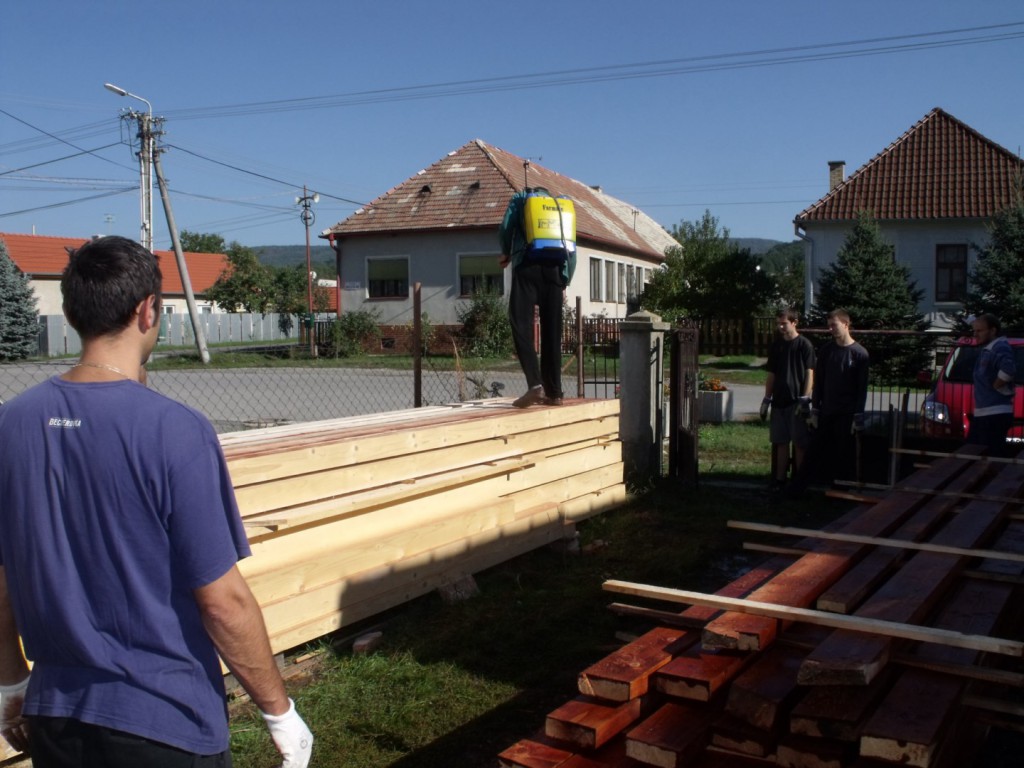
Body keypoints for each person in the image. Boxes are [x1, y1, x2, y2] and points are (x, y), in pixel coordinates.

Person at [0, 236, 312, 767]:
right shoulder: (175, 430)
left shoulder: (11, 423)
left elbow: (2, 580)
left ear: (72, 314)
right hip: (165, 722)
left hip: (57, 719)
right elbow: (222, 601)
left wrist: (11, 683)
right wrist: (279, 713)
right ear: (149, 310)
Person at [499, 188, 577, 407]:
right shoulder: (561, 207)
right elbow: (572, 248)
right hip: (555, 272)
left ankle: (535, 385)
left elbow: (505, 227)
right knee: (552, 333)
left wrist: (505, 252)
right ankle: (555, 393)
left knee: (520, 324)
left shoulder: (521, 199)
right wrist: (565, 279)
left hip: (527, 267)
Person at [786, 309, 869, 496]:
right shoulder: (826, 351)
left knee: (842, 453)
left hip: (846, 413)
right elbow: (819, 383)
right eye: (829, 326)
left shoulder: (859, 354)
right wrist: (815, 411)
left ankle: (839, 490)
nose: (831, 329)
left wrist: (858, 416)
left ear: (846, 324)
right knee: (814, 451)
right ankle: (797, 489)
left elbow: (861, 388)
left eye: (834, 325)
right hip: (827, 411)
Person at [761, 309, 815, 490]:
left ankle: (799, 482)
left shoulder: (804, 345)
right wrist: (766, 399)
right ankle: (780, 480)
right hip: (779, 401)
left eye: (784, 323)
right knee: (780, 442)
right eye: (778, 324)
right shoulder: (777, 346)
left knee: (800, 443)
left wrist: (804, 399)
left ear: (794, 322)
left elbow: (810, 373)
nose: (781, 327)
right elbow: (771, 374)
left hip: (796, 402)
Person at [969, 313, 1016, 453]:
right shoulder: (989, 349)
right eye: (974, 331)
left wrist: (996, 385)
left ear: (993, 330)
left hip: (994, 413)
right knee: (976, 453)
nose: (975, 334)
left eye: (979, 331)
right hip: (985, 413)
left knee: (986, 456)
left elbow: (1008, 369)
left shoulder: (999, 347)